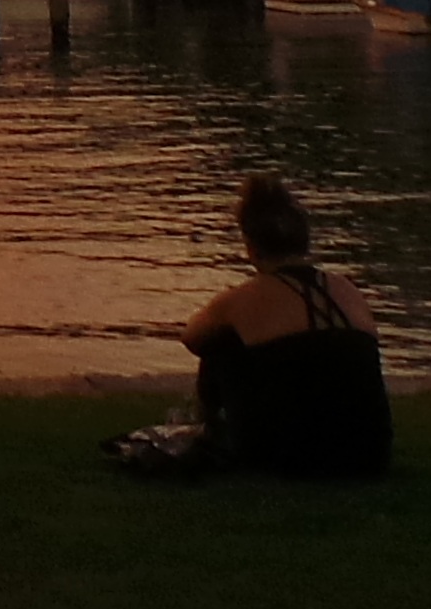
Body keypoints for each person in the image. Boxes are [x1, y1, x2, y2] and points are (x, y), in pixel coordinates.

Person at [111, 175, 392, 479]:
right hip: (368, 453)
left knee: (220, 340)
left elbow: (192, 337)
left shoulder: (243, 299)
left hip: (285, 457)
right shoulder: (347, 290)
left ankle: (206, 429)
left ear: (251, 246)